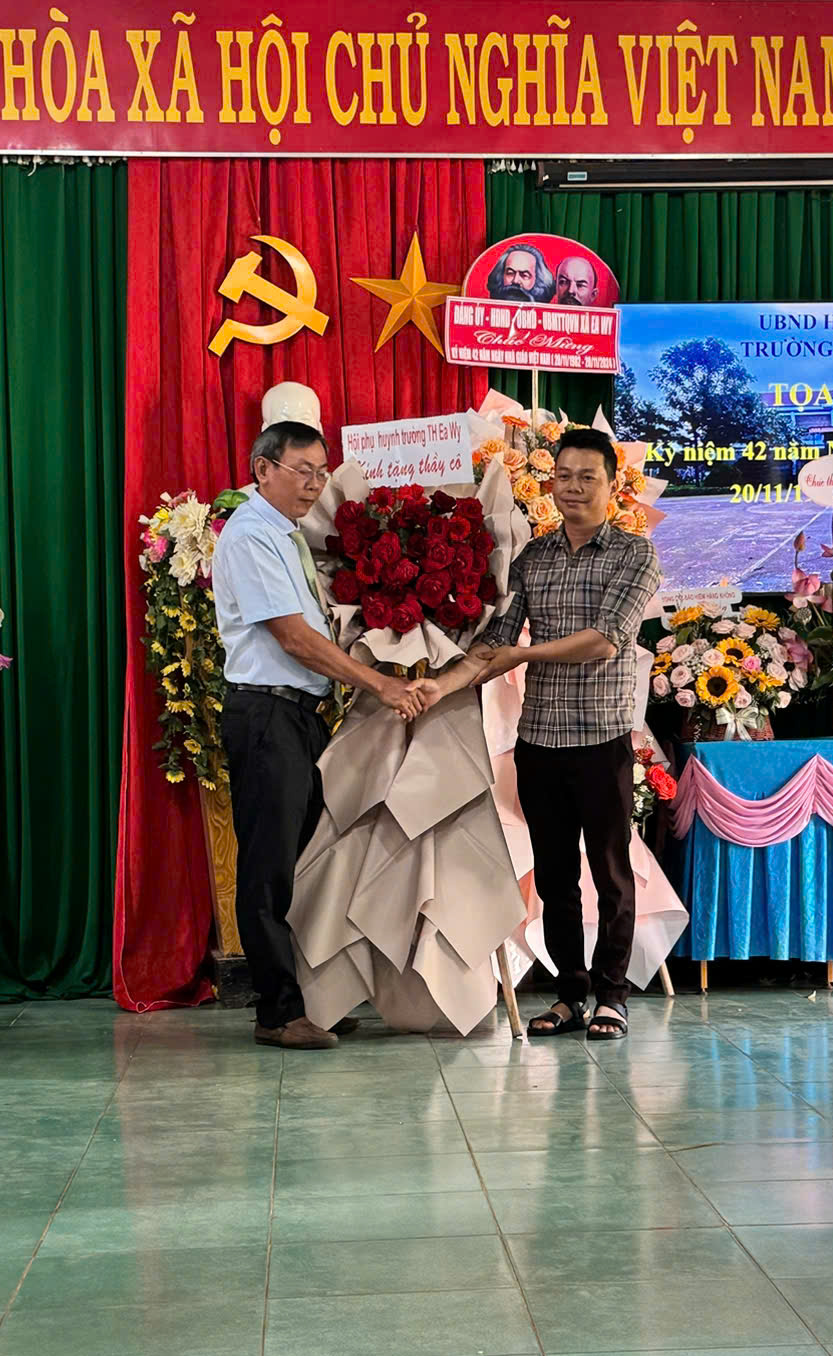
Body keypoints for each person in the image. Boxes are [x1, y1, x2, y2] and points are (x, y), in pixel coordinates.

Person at [420, 427, 659, 1039]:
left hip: (602, 738)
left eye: (587, 477)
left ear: (612, 485)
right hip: (540, 741)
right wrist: (435, 688)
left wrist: (524, 656)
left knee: (611, 874)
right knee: (553, 879)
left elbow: (605, 641)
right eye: (564, 476)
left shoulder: (634, 555)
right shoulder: (533, 558)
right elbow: (495, 643)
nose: (573, 487)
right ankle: (569, 996)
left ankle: (613, 996)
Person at [213, 417, 424, 1051]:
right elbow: (294, 638)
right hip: (266, 714)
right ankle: (278, 1013)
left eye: (321, 472)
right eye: (301, 470)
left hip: (298, 716)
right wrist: (378, 683)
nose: (314, 484)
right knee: (269, 867)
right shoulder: (251, 535)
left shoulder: (287, 535)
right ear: (262, 469)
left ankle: (307, 1000)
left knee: (302, 861)